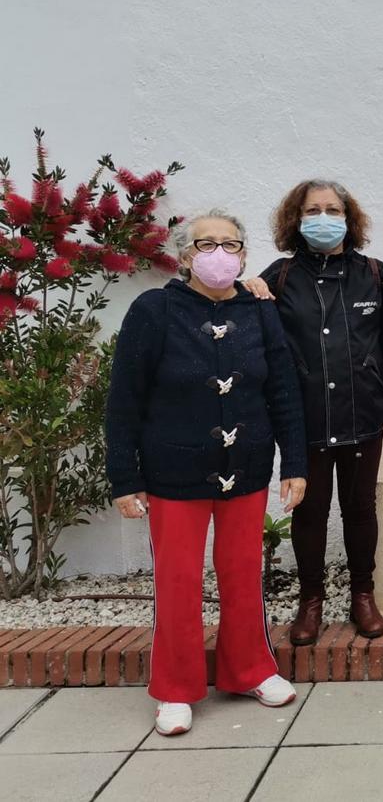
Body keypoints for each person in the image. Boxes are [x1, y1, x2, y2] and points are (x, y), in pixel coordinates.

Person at [106, 210, 307, 736]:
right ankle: (175, 689)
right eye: (206, 243)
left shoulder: (261, 310)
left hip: (246, 467)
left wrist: (296, 464)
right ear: (185, 254)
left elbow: (282, 390)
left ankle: (250, 670)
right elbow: (124, 400)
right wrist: (124, 477)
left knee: (244, 575)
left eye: (230, 243)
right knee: (178, 581)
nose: (219, 253)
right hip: (173, 471)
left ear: (243, 253)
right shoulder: (154, 310)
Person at [242, 180, 383, 645]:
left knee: (360, 510)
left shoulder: (377, 275)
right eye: (313, 209)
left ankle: (363, 595)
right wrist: (245, 290)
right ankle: (311, 601)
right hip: (305, 419)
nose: (324, 217)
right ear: (296, 220)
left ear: (349, 217)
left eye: (333, 209)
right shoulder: (278, 277)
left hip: (364, 415)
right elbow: (250, 336)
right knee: (310, 511)